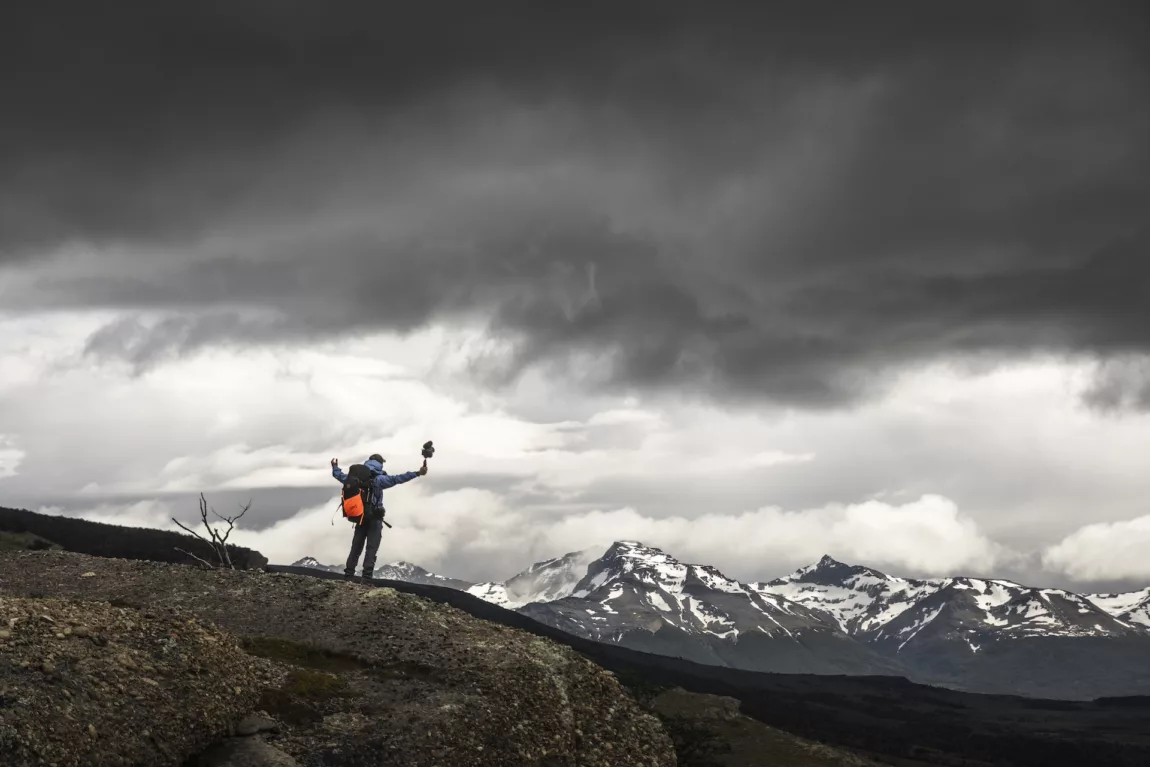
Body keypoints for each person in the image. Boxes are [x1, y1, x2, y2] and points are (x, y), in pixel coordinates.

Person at [330, 453, 427, 579]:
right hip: (375, 518)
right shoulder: (379, 479)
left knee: (356, 546)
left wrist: (335, 467)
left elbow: (339, 475)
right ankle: (366, 577)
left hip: (360, 516)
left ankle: (349, 574)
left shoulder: (355, 478)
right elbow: (398, 479)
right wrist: (418, 473)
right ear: (380, 464)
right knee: (372, 548)